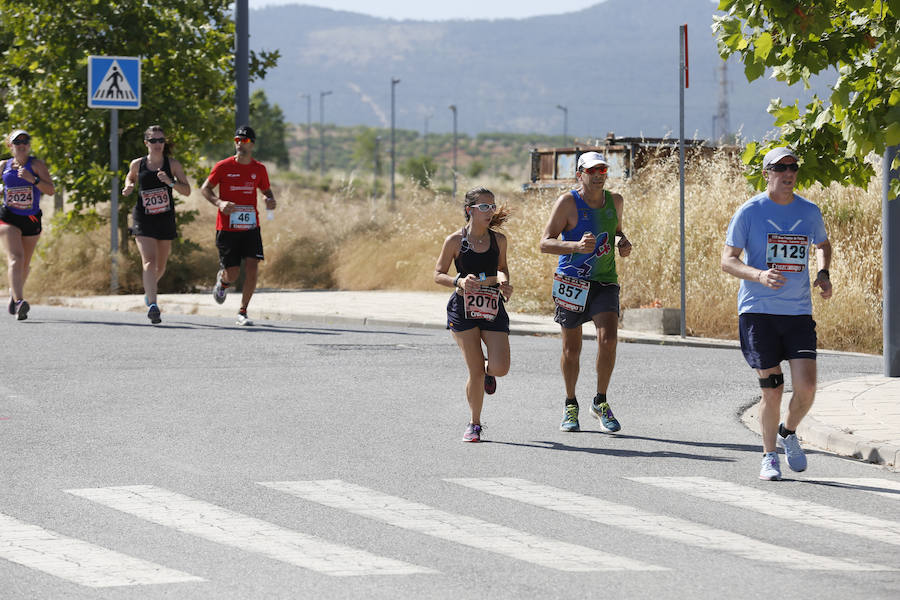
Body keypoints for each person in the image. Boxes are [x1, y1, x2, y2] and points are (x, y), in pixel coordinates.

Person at [721, 146, 832, 481]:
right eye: (780, 168)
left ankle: (788, 431)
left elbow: (823, 245)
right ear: (766, 172)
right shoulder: (749, 211)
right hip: (759, 312)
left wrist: (823, 273)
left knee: (807, 387)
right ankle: (769, 456)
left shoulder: (809, 211)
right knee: (772, 388)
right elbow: (728, 260)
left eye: (793, 168)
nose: (788, 174)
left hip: (798, 313)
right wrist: (759, 275)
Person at [539, 151, 632, 433]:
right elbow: (545, 243)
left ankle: (600, 401)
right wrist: (575, 247)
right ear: (580, 174)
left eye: (602, 171)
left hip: (605, 280)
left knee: (609, 340)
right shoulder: (568, 202)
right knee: (572, 348)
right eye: (591, 171)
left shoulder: (615, 201)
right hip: (572, 282)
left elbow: (616, 230)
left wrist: (623, 241)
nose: (597, 176)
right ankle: (570, 403)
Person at [434, 187, 513, 442]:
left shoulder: (498, 240)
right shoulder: (455, 241)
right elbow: (438, 274)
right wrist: (459, 282)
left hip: (492, 306)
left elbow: (502, 269)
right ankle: (474, 423)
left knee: (499, 368)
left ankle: (490, 375)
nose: (490, 211)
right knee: (475, 369)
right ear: (470, 210)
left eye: (492, 206)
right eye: (483, 207)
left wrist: (505, 283)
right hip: (462, 309)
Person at [200, 125, 276, 326]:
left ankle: (243, 311)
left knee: (252, 267)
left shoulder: (259, 169)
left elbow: (267, 191)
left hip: (251, 227)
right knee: (233, 273)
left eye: (246, 141)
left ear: (252, 145)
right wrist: (219, 203)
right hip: (227, 228)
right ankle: (223, 281)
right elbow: (205, 188)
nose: (241, 144)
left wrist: (270, 200)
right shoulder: (223, 166)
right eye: (238, 140)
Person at [121, 125, 191, 324]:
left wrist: (169, 182)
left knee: (160, 267)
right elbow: (130, 177)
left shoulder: (173, 164)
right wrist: (129, 186)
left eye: (161, 140)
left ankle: (148, 291)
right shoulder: (138, 164)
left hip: (165, 218)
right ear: (146, 143)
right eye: (153, 141)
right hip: (143, 217)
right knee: (149, 262)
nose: (158, 144)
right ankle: (153, 305)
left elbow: (187, 191)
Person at [0, 129, 55, 321]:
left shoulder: (36, 165)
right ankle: (20, 301)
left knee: (24, 264)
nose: (22, 145)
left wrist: (33, 180)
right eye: (17, 142)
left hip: (31, 218)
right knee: (16, 257)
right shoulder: (3, 165)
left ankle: (13, 294)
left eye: (25, 141)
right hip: (8, 217)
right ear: (10, 146)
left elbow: (50, 191)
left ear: (29, 145)